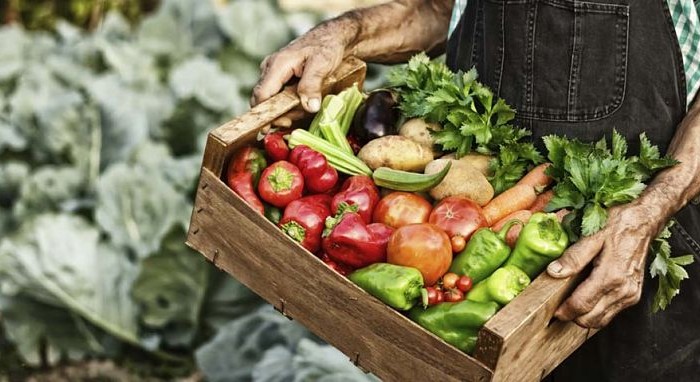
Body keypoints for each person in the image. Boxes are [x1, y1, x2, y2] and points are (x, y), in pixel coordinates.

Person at [252, 1, 700, 380]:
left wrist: (649, 212)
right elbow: (437, 9)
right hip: (477, 246)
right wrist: (344, 34)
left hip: (633, 256)